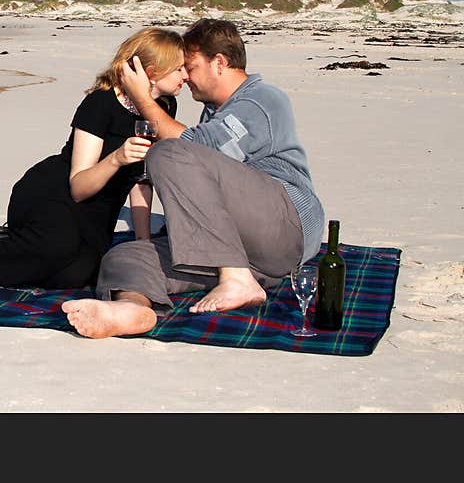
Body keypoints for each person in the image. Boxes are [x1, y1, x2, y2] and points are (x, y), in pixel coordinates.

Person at [63, 18, 325, 338]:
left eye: (191, 66)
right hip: (250, 255)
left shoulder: (261, 99)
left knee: (168, 153)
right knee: (125, 256)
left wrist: (142, 98)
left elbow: (190, 148)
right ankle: (131, 308)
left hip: (286, 226)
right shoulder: (214, 113)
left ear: (219, 63)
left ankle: (236, 279)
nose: (185, 77)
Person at [0, 27, 189, 288]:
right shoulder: (99, 104)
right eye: (179, 69)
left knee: (80, 274)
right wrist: (116, 158)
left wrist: (143, 243)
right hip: (55, 192)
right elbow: (78, 186)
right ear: (150, 71)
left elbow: (141, 180)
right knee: (56, 249)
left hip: (99, 211)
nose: (186, 77)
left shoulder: (163, 107)